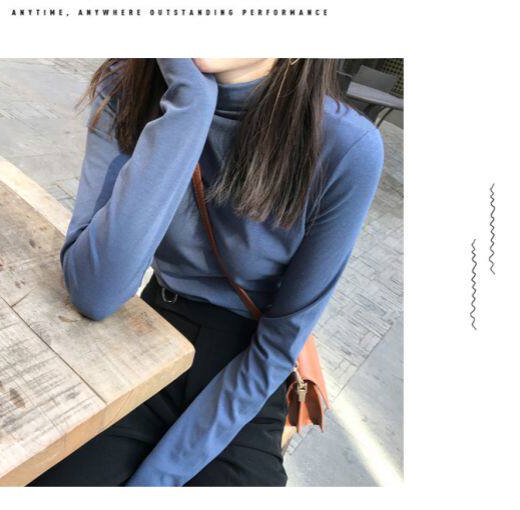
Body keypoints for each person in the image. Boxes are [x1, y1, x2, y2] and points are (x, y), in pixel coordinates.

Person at [28, 58, 384, 487]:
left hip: (249, 365)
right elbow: (96, 291)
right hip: (148, 331)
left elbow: (281, 341)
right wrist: (190, 107)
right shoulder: (129, 88)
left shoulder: (346, 146)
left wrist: (154, 483)